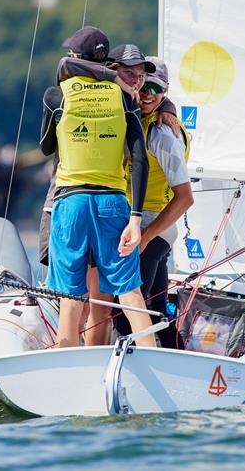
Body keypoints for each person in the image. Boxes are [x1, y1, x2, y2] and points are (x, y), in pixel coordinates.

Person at [40, 26, 155, 348]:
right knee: (129, 291)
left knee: (70, 296)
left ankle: (66, 365)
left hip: (70, 201)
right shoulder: (125, 97)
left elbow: (46, 147)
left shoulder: (55, 95)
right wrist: (135, 218)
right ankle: (153, 357)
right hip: (114, 202)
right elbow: (139, 159)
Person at [115, 57, 193, 348]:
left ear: (166, 92)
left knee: (127, 315)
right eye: (143, 86)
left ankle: (131, 375)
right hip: (144, 228)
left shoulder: (162, 133)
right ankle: (181, 365)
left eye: (155, 89)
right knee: (159, 314)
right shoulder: (140, 116)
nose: (148, 94)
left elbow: (185, 198)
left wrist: (146, 237)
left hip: (152, 228)